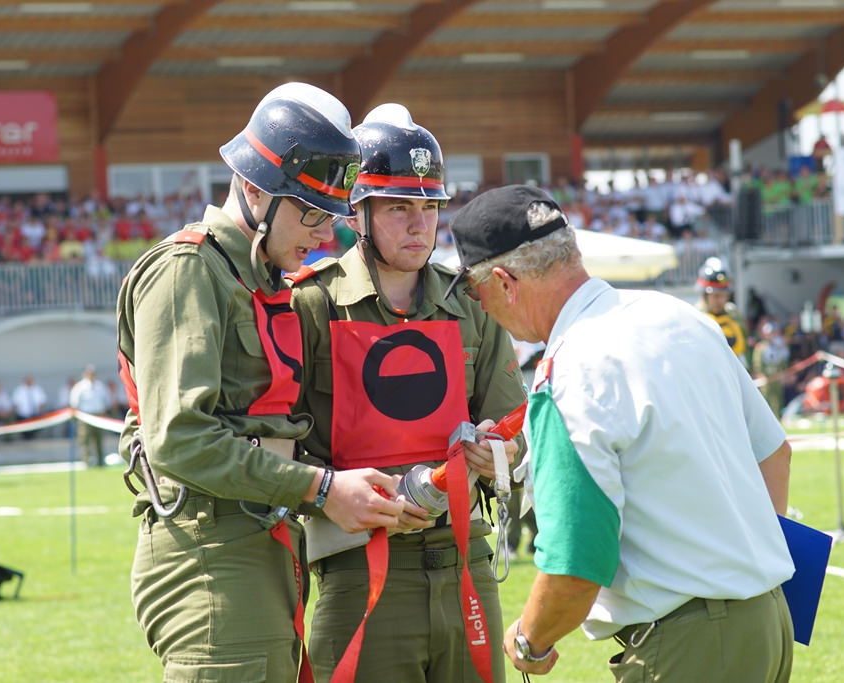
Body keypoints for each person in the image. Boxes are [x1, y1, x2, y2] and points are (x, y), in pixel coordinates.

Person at [115, 82, 406, 682]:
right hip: (209, 547)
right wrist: (322, 488)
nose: (324, 235)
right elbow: (179, 439)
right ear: (254, 189)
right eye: (310, 213)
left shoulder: (257, 278)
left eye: (331, 216)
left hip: (261, 537)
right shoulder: (188, 271)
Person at [445, 184, 795, 681]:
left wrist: (529, 638)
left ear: (504, 282)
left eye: (473, 290)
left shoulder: (571, 369)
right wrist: (742, 567)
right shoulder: (680, 317)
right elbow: (775, 454)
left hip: (688, 640)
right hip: (767, 618)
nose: (479, 306)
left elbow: (576, 562)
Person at [288, 103, 527, 683]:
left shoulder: (472, 304)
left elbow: (515, 432)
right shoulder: (309, 305)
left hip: (466, 563)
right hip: (359, 570)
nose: (420, 225)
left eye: (429, 207)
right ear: (358, 211)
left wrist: (496, 454)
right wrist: (329, 493)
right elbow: (276, 448)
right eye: (399, 208)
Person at [696, 257, 749, 366]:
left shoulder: (733, 314)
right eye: (716, 296)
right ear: (704, 295)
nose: (721, 301)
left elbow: (745, 343)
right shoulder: (695, 317)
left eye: (724, 295)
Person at [68, 365, 110, 467]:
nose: (91, 375)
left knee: (99, 439)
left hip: (98, 415)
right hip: (85, 416)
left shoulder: (100, 386)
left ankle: (100, 462)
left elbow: (106, 401)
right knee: (85, 440)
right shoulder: (79, 387)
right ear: (85, 374)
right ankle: (87, 462)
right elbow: (74, 403)